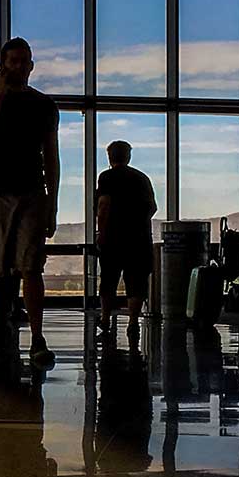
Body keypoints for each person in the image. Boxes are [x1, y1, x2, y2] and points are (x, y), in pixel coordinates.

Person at [0, 37, 60, 367]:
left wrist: (52, 201)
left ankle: (36, 336)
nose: (19, 67)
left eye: (24, 61)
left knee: (31, 266)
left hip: (31, 192)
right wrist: (0, 97)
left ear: (31, 65)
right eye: (13, 62)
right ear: (3, 66)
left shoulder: (44, 106)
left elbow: (51, 156)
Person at [95, 141, 157, 335]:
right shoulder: (141, 178)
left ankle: (105, 319)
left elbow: (104, 204)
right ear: (128, 156)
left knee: (108, 279)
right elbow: (152, 207)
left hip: (113, 237)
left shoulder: (106, 177)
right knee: (136, 281)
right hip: (139, 238)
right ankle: (132, 322)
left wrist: (101, 232)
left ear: (109, 157)